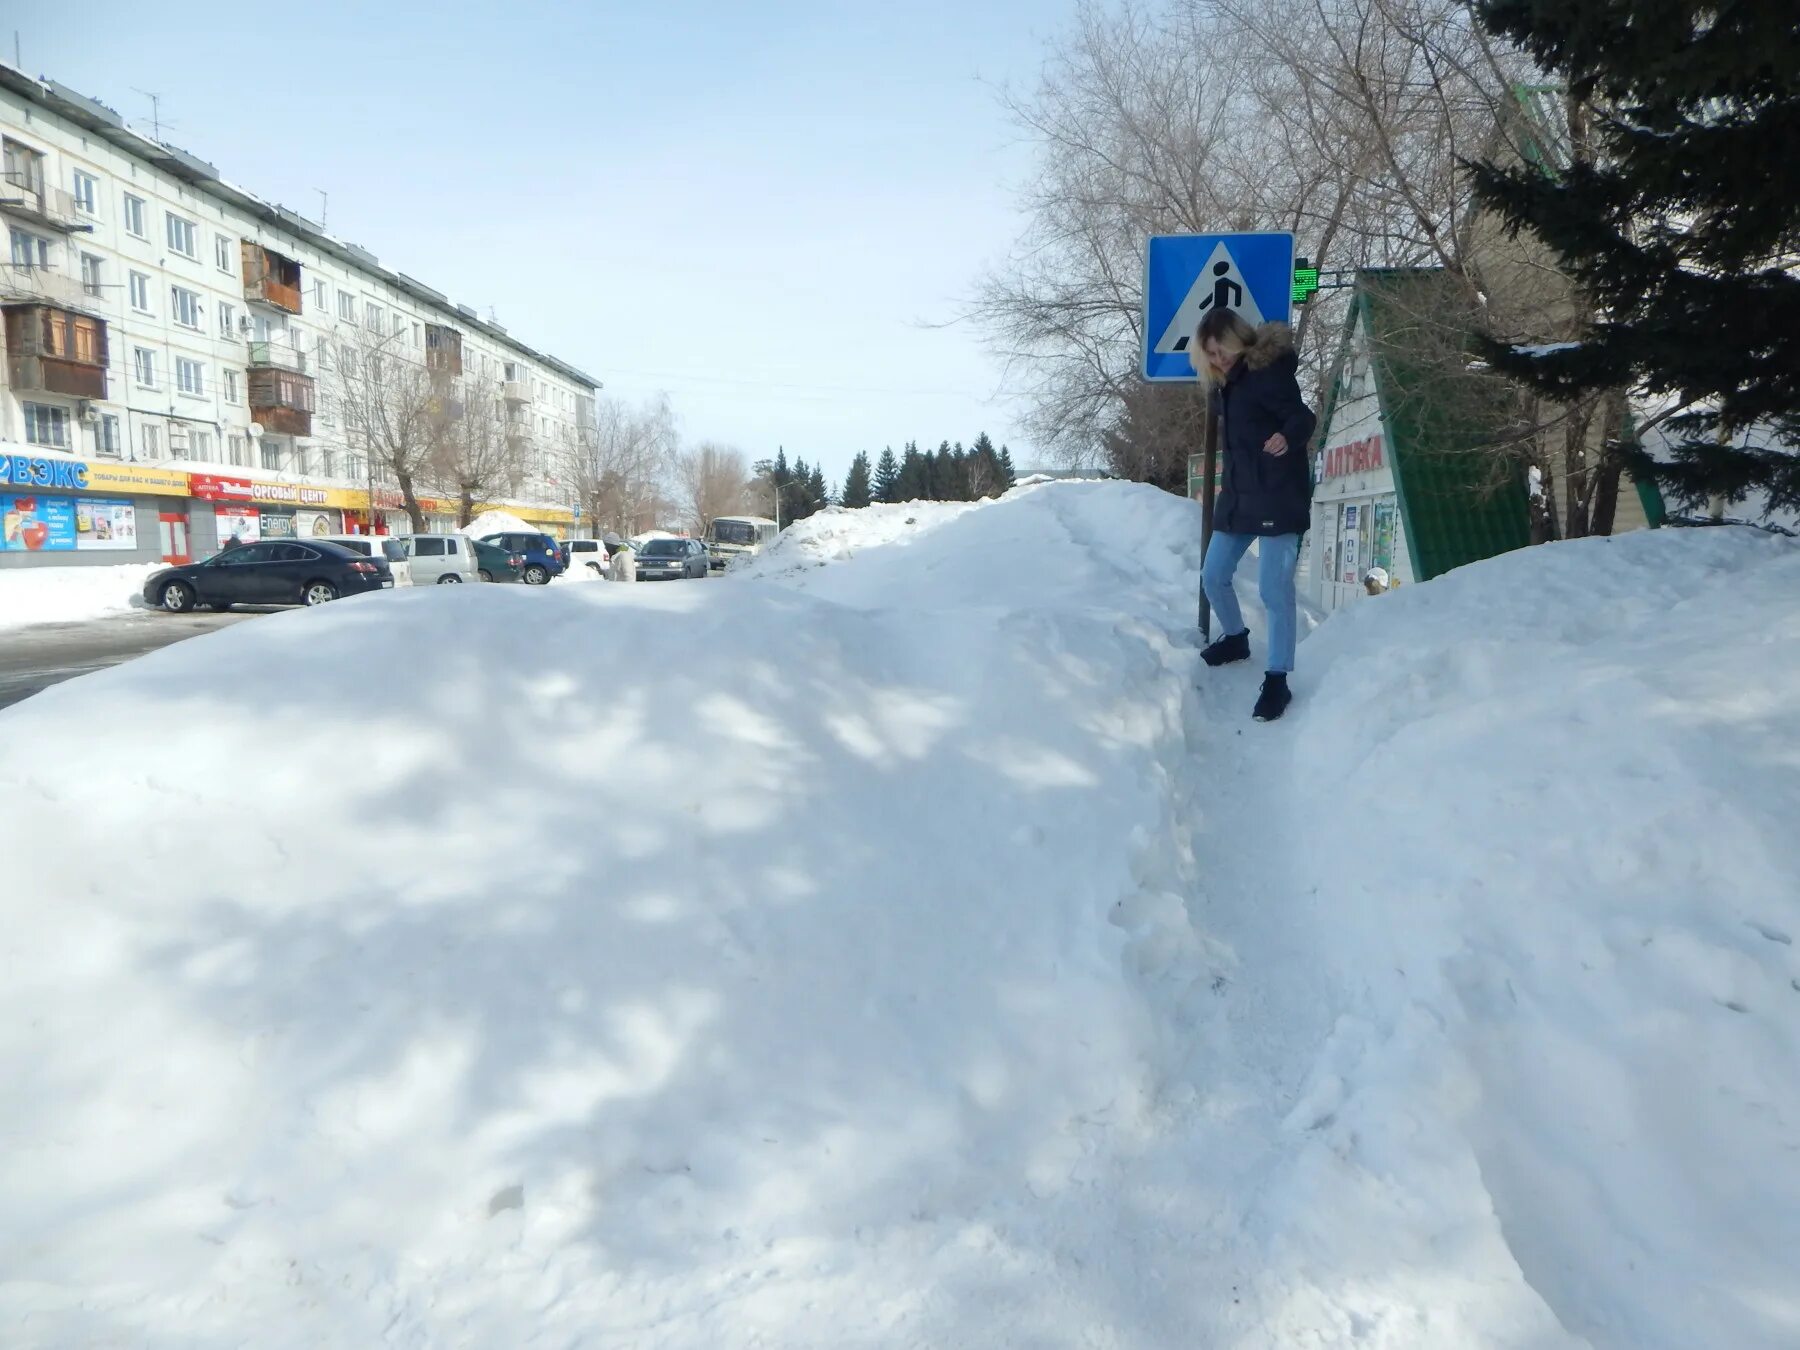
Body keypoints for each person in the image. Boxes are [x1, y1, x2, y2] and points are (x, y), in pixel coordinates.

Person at [1192, 309, 1317, 722]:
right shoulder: (1226, 384)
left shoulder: (1266, 373)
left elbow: (1303, 416)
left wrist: (1287, 435)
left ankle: (1278, 679)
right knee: (1213, 575)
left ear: (1237, 340)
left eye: (1221, 350)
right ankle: (1235, 639)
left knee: (1273, 590)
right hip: (1241, 497)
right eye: (1210, 354)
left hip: (1279, 496)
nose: (1217, 359)